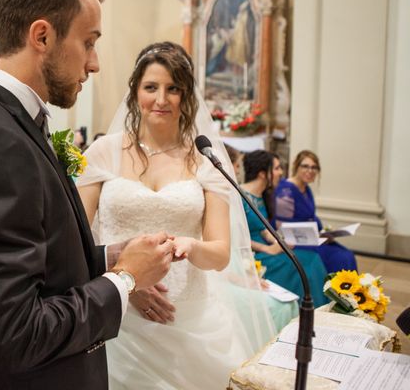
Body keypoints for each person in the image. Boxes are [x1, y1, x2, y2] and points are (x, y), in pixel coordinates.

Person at [0, 0, 174, 390]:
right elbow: (19, 333)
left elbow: (39, 266)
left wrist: (107, 258)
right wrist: (125, 279)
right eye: (89, 41)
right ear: (42, 35)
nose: (95, 63)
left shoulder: (15, 125)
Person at [77, 41, 277, 389]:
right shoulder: (103, 153)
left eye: (173, 89)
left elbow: (219, 254)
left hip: (189, 317)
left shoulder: (205, 161)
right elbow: (74, 239)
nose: (161, 99)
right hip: (117, 317)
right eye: (151, 87)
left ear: (186, 96)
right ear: (135, 91)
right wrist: (127, 282)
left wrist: (191, 246)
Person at [241, 150, 327, 305]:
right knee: (301, 262)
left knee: (311, 258)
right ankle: (304, 308)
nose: (281, 173)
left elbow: (263, 228)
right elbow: (236, 237)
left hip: (265, 245)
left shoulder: (262, 195)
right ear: (262, 174)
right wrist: (267, 249)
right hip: (250, 253)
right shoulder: (239, 196)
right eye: (276, 168)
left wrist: (277, 241)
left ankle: (316, 308)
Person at [275, 150, 357, 273]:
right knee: (341, 258)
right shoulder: (286, 191)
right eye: (305, 166)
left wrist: (324, 233)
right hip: (295, 240)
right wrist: (314, 235)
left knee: (347, 254)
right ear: (296, 166)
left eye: (314, 167)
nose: (310, 171)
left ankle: (345, 289)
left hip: (311, 236)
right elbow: (281, 227)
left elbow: (310, 216)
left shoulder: (306, 188)